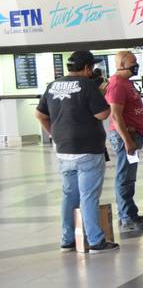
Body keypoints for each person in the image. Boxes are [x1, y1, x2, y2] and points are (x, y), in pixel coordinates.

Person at [35, 50, 119, 253]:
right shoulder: (87, 85)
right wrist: (101, 93)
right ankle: (96, 241)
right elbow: (103, 114)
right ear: (87, 68)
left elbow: (39, 114)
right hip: (88, 149)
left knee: (69, 195)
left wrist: (55, 134)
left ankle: (67, 239)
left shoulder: (53, 85)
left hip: (64, 150)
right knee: (88, 196)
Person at [105, 50, 143, 231]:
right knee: (125, 177)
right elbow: (115, 116)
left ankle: (129, 213)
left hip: (132, 135)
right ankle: (127, 217)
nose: (136, 65)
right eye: (133, 63)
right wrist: (127, 140)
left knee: (129, 177)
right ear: (121, 64)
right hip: (126, 137)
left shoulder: (127, 83)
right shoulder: (117, 84)